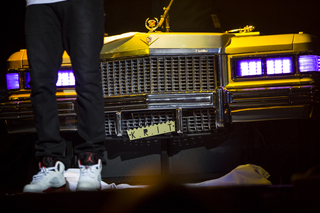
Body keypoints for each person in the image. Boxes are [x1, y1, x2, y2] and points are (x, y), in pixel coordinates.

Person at [23, 0, 106, 193]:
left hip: (82, 4)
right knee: (40, 83)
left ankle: (90, 160)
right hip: (38, 4)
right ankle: (51, 163)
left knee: (87, 79)